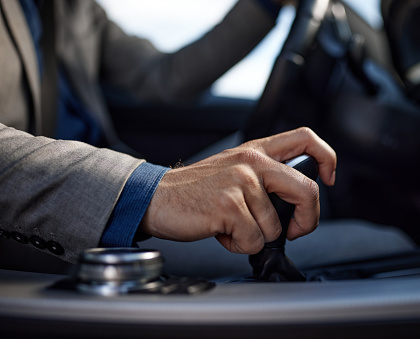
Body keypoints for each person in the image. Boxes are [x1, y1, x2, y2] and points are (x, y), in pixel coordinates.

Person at [0, 0, 337, 265]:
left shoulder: (73, 7)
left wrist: (266, 3)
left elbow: (163, 78)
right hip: (38, 237)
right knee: (367, 251)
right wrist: (147, 194)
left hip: (121, 203)